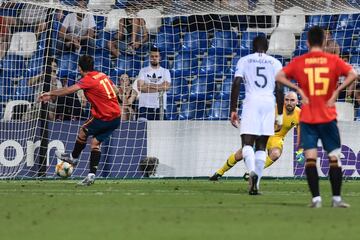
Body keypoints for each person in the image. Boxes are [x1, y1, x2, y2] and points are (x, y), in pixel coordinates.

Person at [275, 26, 358, 208]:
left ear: (307, 42)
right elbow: (353, 73)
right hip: (328, 117)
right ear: (323, 42)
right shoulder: (333, 60)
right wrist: (337, 91)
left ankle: (316, 200)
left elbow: (279, 76)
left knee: (310, 158)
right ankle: (336, 199)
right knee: (334, 158)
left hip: (308, 118)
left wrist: (297, 89)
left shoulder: (300, 61)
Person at [38, 55, 121, 186]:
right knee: (94, 143)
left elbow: (68, 90)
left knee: (83, 131)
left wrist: (50, 93)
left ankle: (73, 158)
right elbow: (116, 91)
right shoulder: (102, 75)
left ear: (80, 69)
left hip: (104, 116)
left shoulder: (88, 80)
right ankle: (91, 175)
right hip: (116, 117)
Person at [226, 35, 284, 195]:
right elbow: (280, 89)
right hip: (268, 103)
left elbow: (236, 83)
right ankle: (256, 183)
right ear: (267, 47)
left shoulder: (244, 60)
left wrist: (233, 109)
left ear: (253, 46)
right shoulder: (275, 62)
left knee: (247, 143)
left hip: (252, 101)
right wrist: (279, 114)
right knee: (261, 146)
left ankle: (251, 171)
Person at [210, 91, 302, 182]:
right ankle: (219, 172)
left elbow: (300, 134)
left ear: (297, 101)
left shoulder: (300, 114)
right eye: (287, 100)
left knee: (275, 154)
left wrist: (300, 151)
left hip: (277, 138)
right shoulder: (274, 108)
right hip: (262, 133)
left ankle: (253, 172)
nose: (289, 103)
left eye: (292, 100)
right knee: (241, 154)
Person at [137, 47, 171, 121]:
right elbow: (140, 88)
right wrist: (159, 87)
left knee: (160, 130)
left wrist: (148, 85)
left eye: (156, 56)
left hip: (160, 106)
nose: (154, 58)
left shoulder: (165, 71)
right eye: (152, 56)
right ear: (149, 58)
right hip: (144, 106)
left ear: (160, 58)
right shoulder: (143, 71)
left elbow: (166, 87)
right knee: (142, 130)